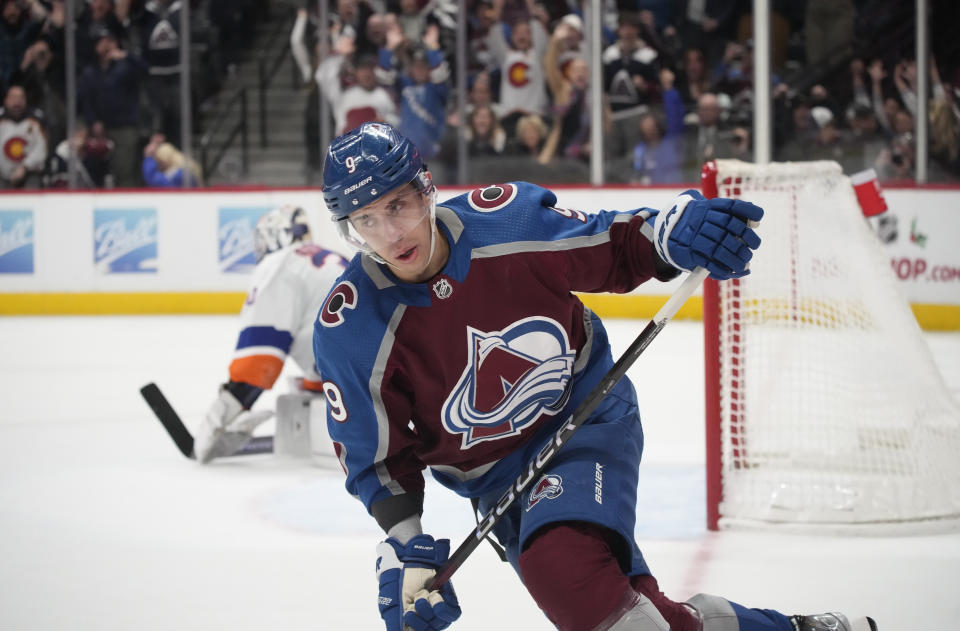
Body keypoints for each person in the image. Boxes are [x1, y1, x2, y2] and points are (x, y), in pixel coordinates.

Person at [313, 121, 878, 631]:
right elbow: (378, 456)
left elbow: (614, 245)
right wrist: (405, 545)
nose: (390, 234)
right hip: (493, 483)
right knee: (634, 604)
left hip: (584, 419)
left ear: (427, 188)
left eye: (398, 206)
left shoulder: (508, 220)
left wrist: (669, 236)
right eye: (365, 220)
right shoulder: (351, 325)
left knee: (564, 572)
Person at [195, 205, 349, 464]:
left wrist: (224, 414)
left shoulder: (278, 264)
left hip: (358, 375)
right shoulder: (326, 257)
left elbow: (259, 360)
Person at [0, 83, 47, 189]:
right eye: (13, 98)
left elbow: (41, 149)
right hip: (2, 175)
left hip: (29, 174)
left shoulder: (36, 120)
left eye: (21, 98)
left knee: (33, 188)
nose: (17, 102)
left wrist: (25, 167)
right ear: (6, 100)